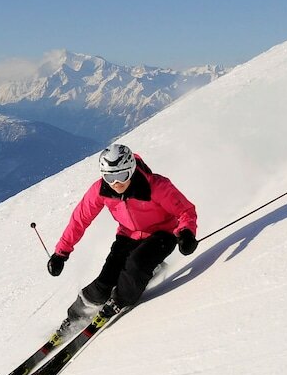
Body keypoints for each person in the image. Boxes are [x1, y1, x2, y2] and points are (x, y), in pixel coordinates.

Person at [47, 143, 198, 334]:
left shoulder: (156, 186)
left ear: (132, 170)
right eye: (110, 177)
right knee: (105, 281)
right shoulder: (100, 190)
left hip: (163, 233)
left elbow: (185, 210)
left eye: (121, 176)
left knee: (135, 265)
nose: (116, 183)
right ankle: (75, 317)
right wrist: (61, 252)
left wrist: (186, 233)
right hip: (128, 234)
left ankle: (119, 300)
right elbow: (80, 219)